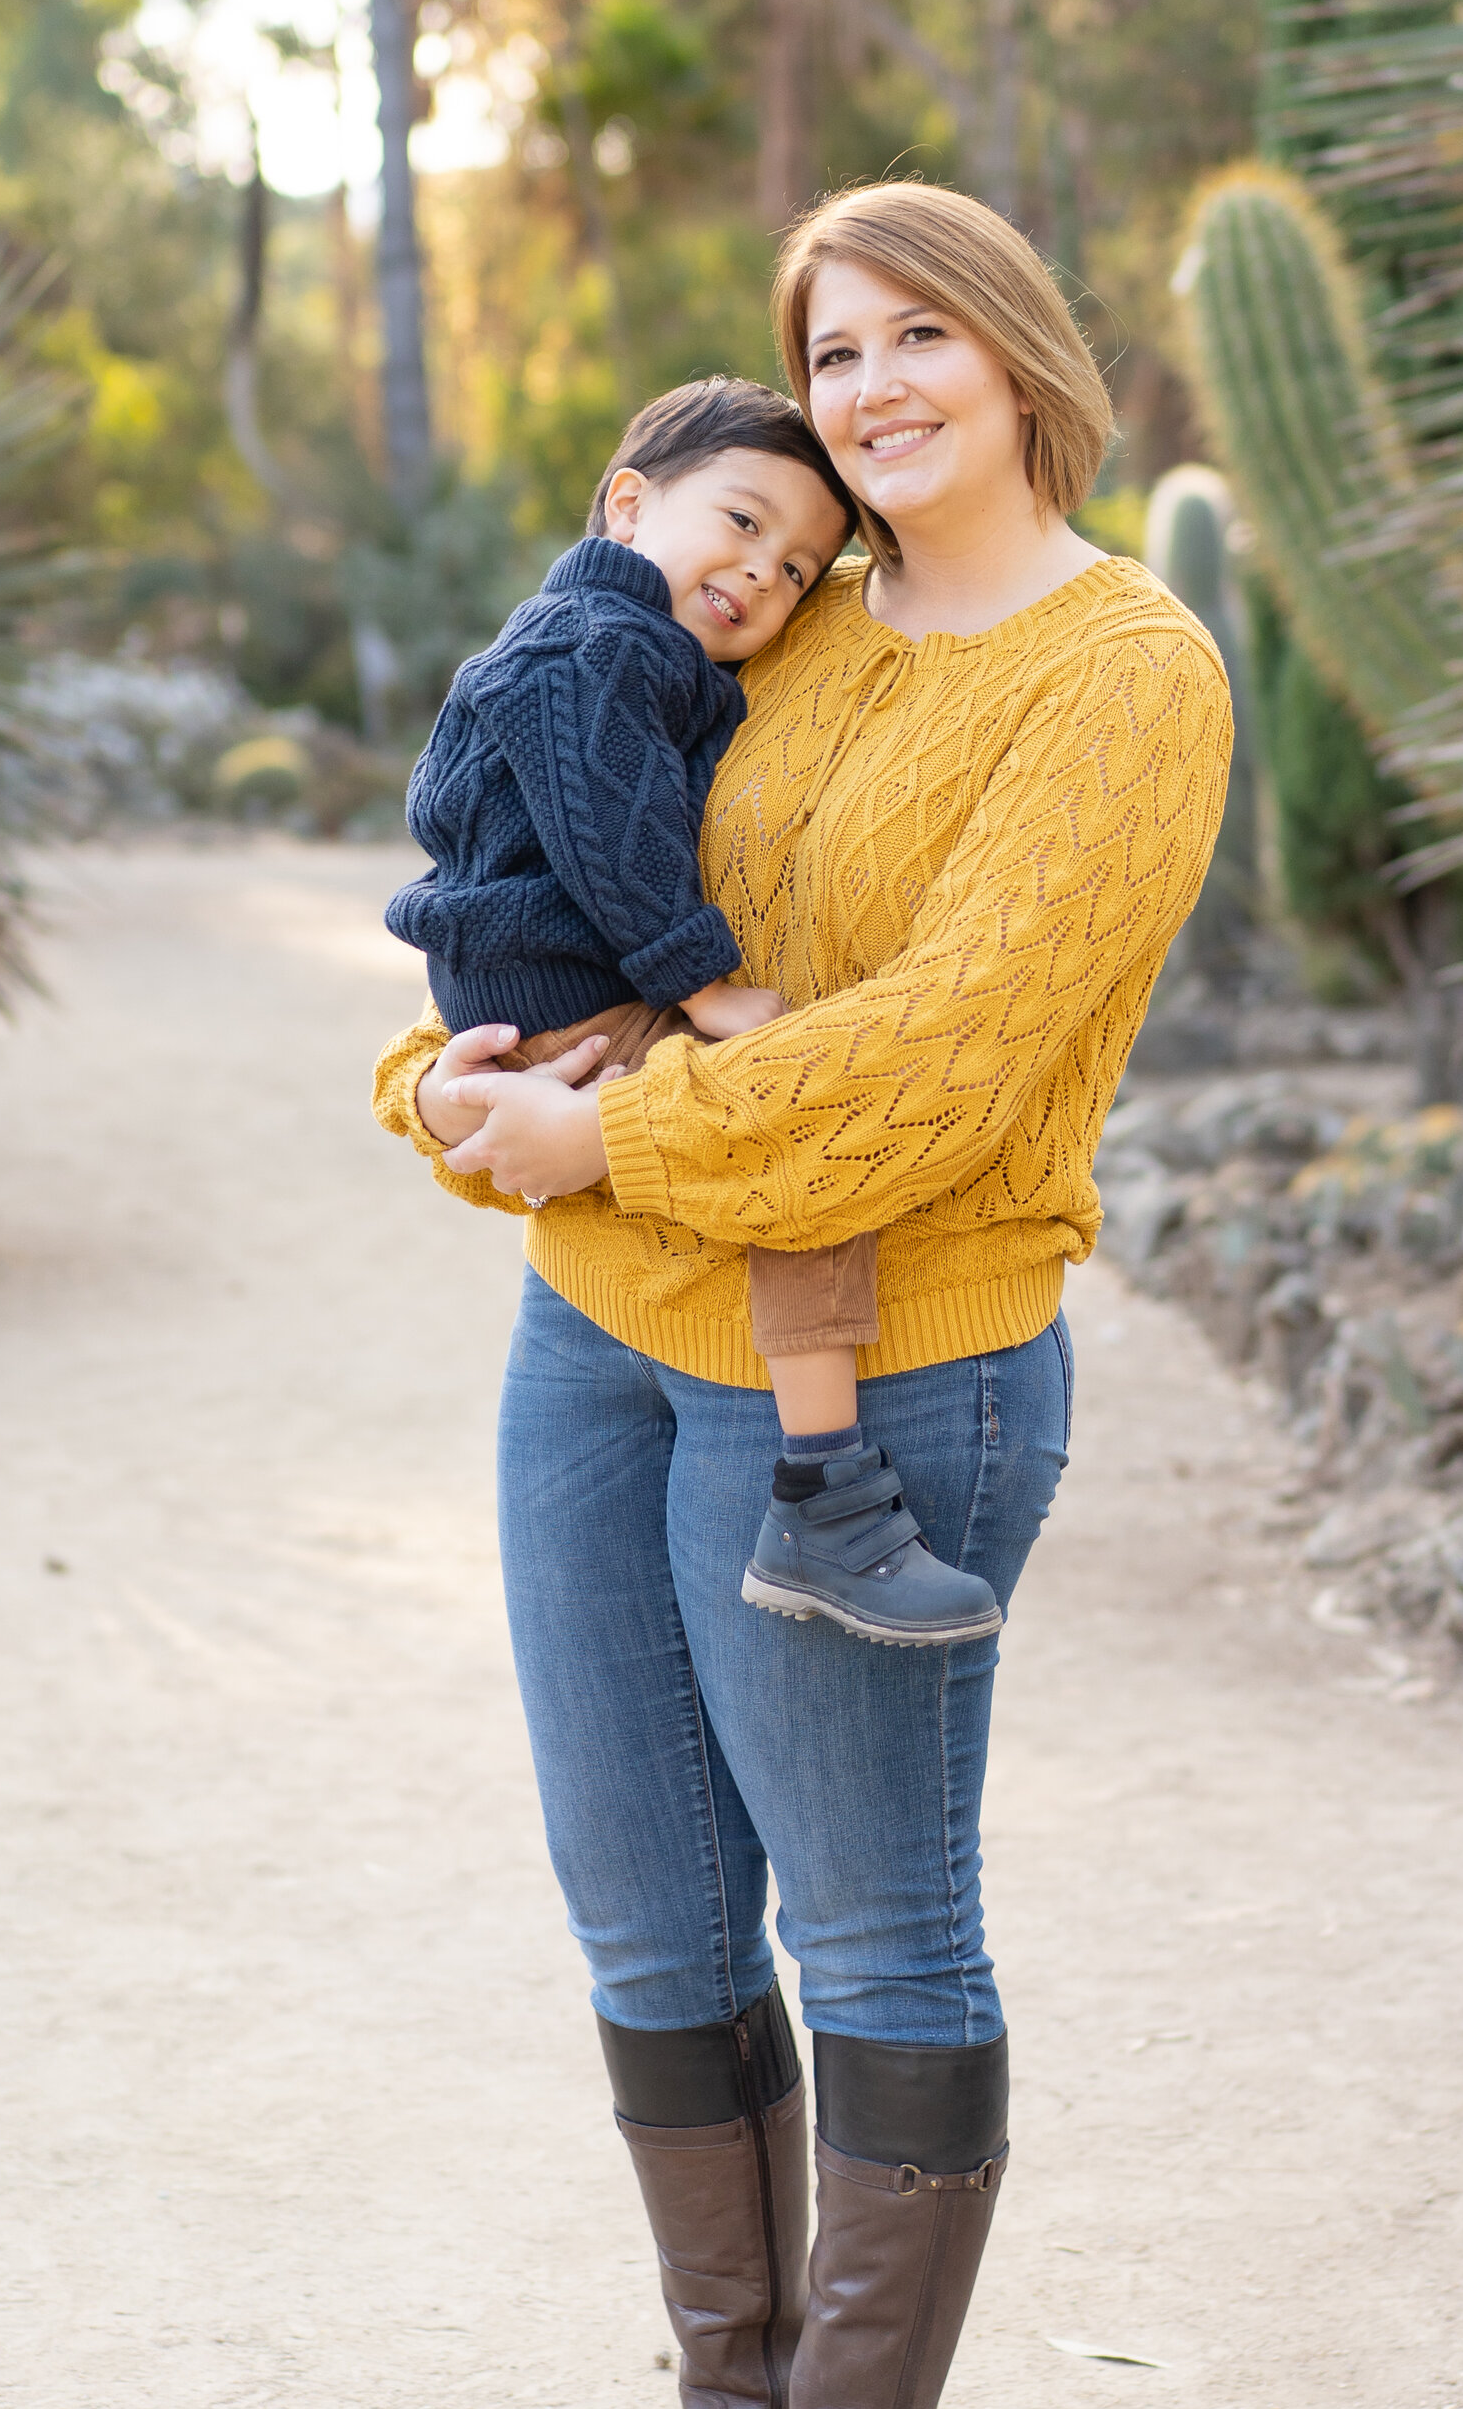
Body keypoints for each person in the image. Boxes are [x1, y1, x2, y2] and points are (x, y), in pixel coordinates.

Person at [371, 179, 1232, 2409]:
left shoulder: (1125, 672)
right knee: (643, 1903)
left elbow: (948, 1065)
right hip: (601, 1333)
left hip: (894, 1366)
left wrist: (611, 1129)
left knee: (870, 1921)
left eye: (913, 336)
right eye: (829, 350)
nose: (865, 386)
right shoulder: (784, 615)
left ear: (1017, 354)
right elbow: (552, 864)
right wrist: (449, 1061)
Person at [384, 376, 1001, 1642]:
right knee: (805, 1143)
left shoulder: (580, 643)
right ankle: (828, 1497)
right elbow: (611, 832)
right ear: (627, 503)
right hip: (577, 1000)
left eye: (793, 567)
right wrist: (704, 985)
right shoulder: (599, 649)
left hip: (531, 996)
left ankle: (819, 1481)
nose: (761, 576)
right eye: (737, 522)